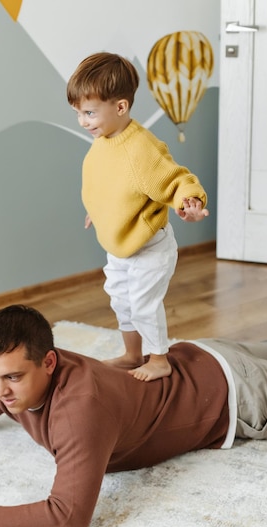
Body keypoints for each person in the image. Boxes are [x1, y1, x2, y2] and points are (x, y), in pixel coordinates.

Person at [0, 304, 267, 527]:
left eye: (12, 378)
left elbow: (66, 521)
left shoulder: (81, 410)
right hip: (202, 354)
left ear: (49, 361)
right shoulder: (7, 376)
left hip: (239, 396)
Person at [67, 52, 210, 382]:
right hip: (119, 246)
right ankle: (133, 354)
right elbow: (107, 184)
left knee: (144, 304)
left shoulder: (141, 148)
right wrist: (98, 211)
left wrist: (190, 200)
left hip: (149, 248)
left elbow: (175, 178)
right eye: (78, 113)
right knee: (122, 302)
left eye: (89, 112)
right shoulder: (103, 140)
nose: (83, 122)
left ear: (120, 107)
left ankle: (159, 359)